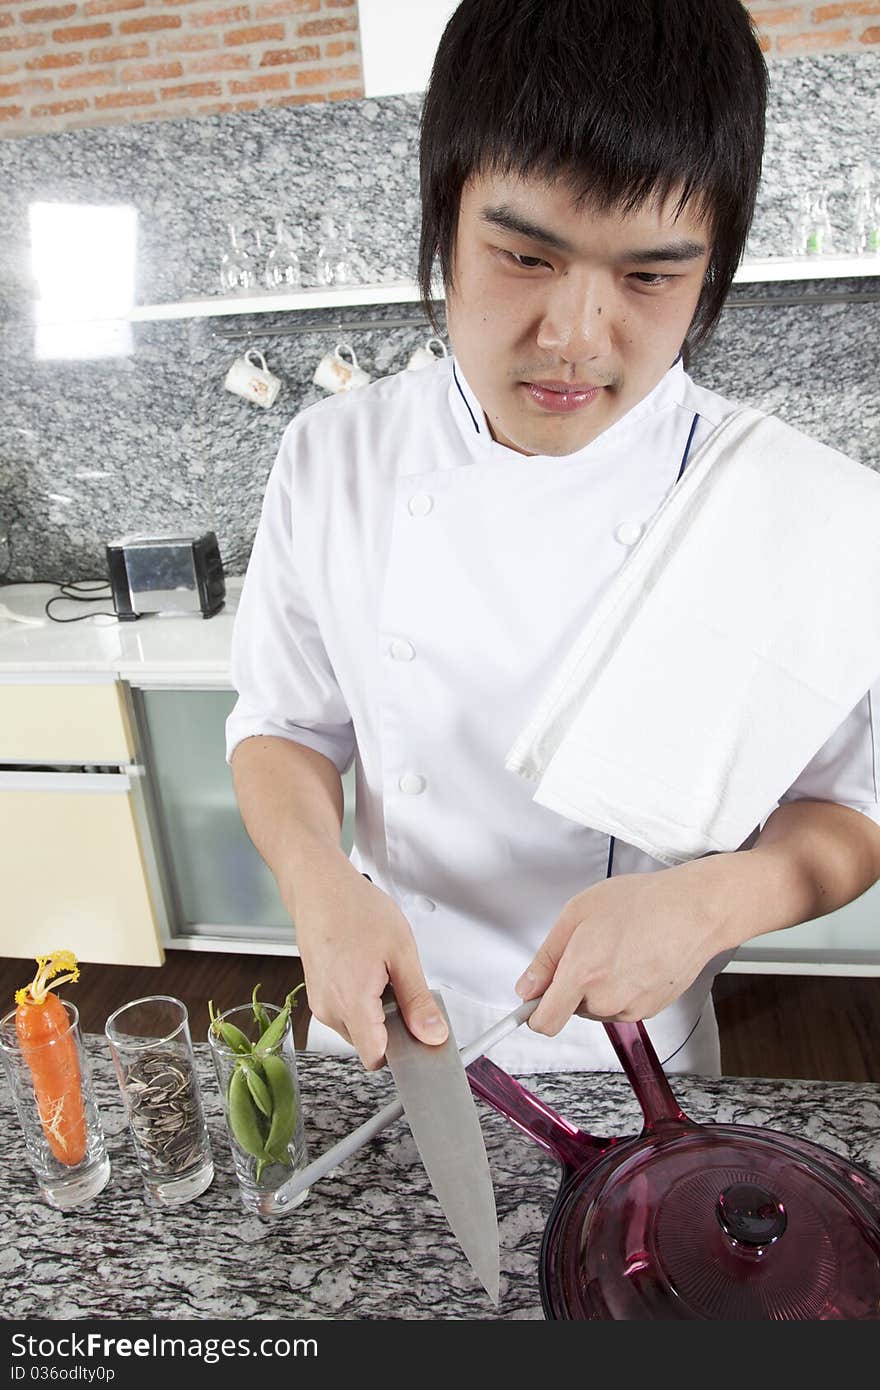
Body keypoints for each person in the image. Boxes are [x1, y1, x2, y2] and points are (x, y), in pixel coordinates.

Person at [226, 0, 880, 1076]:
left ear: (709, 272)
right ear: (444, 221)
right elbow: (283, 726)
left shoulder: (787, 507)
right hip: (382, 1020)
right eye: (525, 258)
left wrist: (718, 899)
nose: (574, 339)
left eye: (649, 277)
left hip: (629, 1052)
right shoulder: (333, 455)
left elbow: (850, 808)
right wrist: (315, 879)